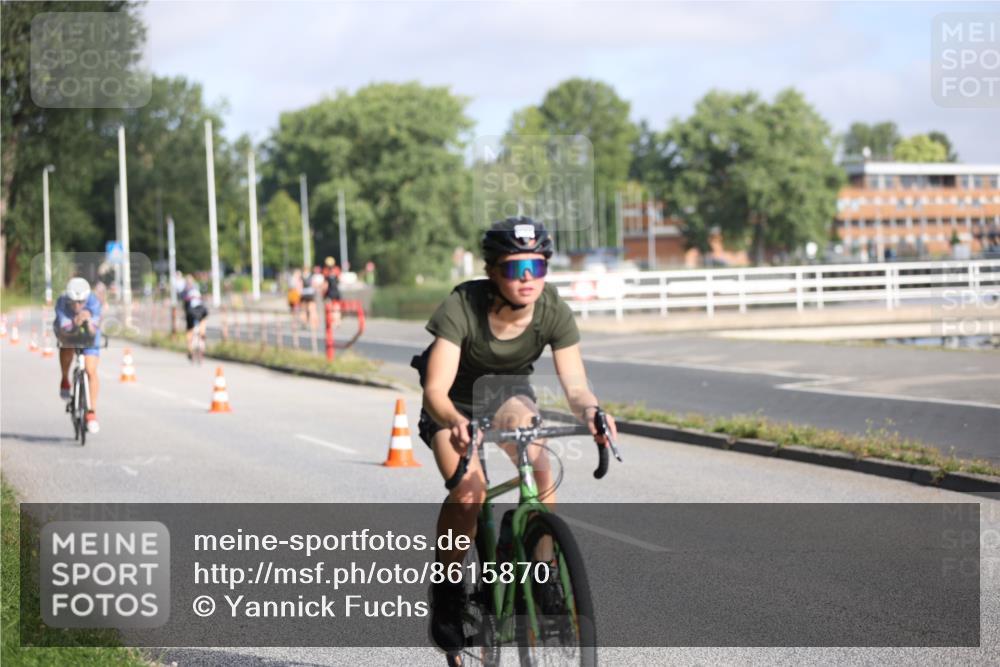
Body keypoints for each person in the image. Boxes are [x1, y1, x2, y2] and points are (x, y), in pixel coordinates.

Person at [416, 216, 618, 653]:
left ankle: (543, 579)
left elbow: (577, 387)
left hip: (508, 396)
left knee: (541, 468)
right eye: (515, 269)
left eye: (537, 268)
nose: (528, 280)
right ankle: (449, 595)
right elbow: (435, 389)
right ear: (492, 271)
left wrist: (593, 413)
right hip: (453, 405)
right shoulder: (462, 306)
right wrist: (454, 419)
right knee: (470, 494)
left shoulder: (552, 309)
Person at [54, 277, 102, 433]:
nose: (77, 305)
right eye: (73, 302)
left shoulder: (93, 301)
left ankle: (91, 413)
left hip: (89, 336)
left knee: (90, 370)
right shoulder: (62, 302)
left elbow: (94, 330)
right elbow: (64, 330)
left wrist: (87, 321)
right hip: (68, 333)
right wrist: (75, 323)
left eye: (81, 302)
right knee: (67, 346)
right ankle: (65, 379)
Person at [181, 274, 208, 360]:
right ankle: (202, 336)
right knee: (203, 321)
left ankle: (190, 350)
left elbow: (185, 305)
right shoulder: (197, 288)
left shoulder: (184, 291)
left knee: (189, 331)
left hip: (191, 311)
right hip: (201, 309)